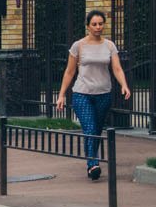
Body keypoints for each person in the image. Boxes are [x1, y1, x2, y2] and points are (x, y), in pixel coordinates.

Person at [55, 9, 131, 181]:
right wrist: (61, 95)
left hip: (103, 94)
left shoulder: (109, 46)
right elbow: (69, 72)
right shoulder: (78, 46)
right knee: (89, 128)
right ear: (88, 26)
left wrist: (124, 85)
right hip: (82, 94)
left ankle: (91, 162)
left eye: (100, 24)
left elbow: (117, 68)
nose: (98, 27)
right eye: (94, 24)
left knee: (96, 130)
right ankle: (93, 164)